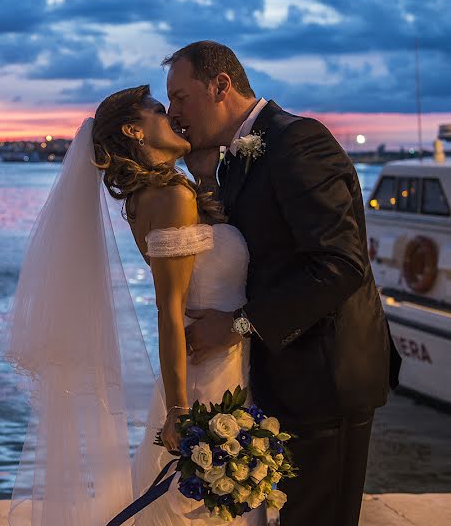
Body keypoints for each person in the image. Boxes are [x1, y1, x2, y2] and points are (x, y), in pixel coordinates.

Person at [0, 84, 263, 525]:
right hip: (208, 369)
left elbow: (206, 254)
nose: (174, 116)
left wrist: (204, 177)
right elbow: (170, 309)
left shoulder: (165, 193)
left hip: (224, 355)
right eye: (160, 109)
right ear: (133, 130)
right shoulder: (170, 197)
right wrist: (180, 409)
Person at [166, 40, 400, 526]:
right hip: (283, 379)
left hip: (326, 377)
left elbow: (340, 263)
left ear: (220, 85)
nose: (173, 113)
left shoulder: (299, 142)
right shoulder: (235, 157)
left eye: (180, 97)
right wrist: (206, 175)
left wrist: (238, 326)